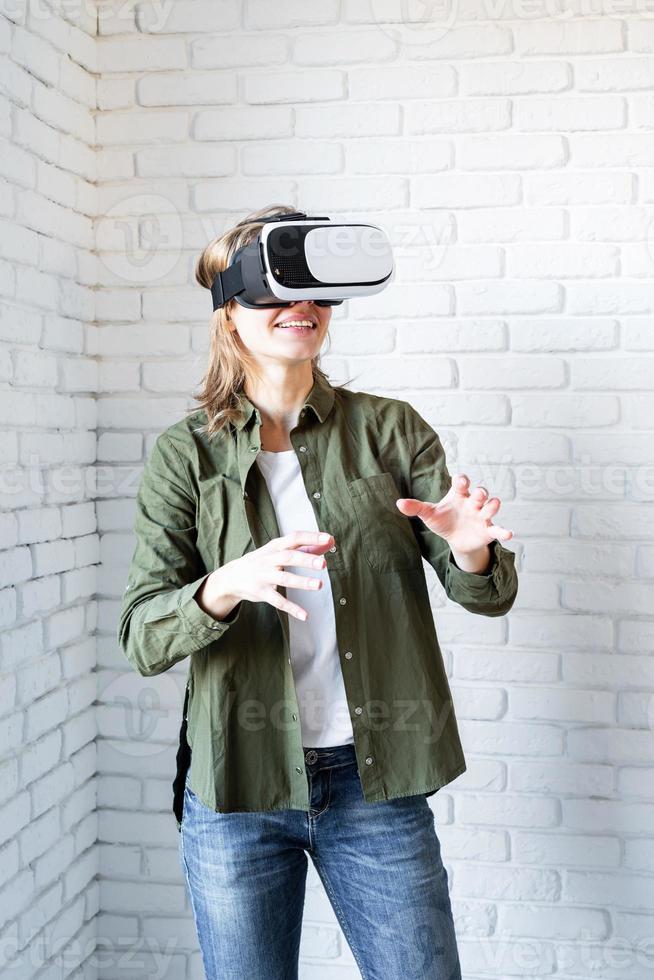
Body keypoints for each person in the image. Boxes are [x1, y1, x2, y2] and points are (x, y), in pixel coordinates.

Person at [118, 203, 519, 980]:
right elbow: (141, 635)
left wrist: (470, 552)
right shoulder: (185, 456)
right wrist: (225, 586)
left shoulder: (391, 430)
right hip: (238, 789)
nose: (301, 308)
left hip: (376, 789)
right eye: (276, 289)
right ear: (231, 312)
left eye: (317, 292)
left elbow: (487, 595)